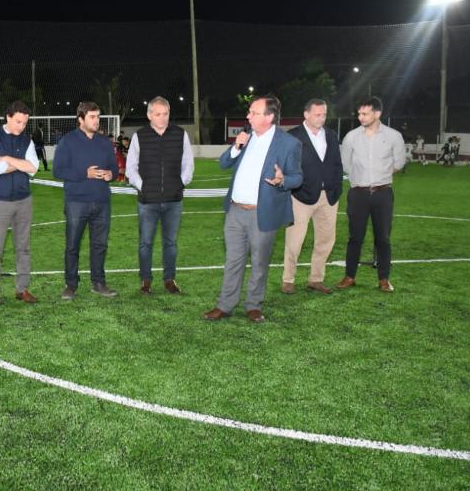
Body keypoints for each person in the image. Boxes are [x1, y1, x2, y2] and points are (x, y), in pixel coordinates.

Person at [203, 95, 302, 323]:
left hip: (262, 213)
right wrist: (237, 147)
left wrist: (282, 179)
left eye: (254, 112)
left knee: (259, 262)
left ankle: (253, 305)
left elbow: (297, 178)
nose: (248, 116)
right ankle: (225, 305)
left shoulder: (289, 144)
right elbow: (223, 163)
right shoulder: (245, 138)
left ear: (269, 117)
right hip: (235, 211)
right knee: (233, 261)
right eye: (249, 112)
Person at [126, 96, 194, 295]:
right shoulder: (139, 136)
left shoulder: (181, 135)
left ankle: (169, 279)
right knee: (145, 243)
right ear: (149, 116)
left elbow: (188, 164)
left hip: (174, 201)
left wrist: (180, 183)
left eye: (165, 114)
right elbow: (130, 168)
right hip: (148, 201)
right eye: (158, 114)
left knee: (171, 243)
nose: (162, 118)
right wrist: (143, 186)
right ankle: (146, 280)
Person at [337, 96, 406, 292]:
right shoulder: (351, 137)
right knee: (355, 237)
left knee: (383, 238)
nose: (360, 117)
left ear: (377, 114)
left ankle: (384, 279)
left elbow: (399, 163)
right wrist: (361, 177)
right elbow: (346, 164)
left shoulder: (394, 136)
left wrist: (380, 174)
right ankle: (350, 276)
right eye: (359, 113)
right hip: (358, 194)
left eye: (364, 113)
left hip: (383, 194)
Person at [53, 101, 120, 300]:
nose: (96, 121)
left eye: (98, 117)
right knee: (73, 244)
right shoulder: (68, 141)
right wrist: (85, 173)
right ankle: (71, 284)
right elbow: (58, 170)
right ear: (81, 119)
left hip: (102, 202)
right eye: (92, 117)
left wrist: (111, 174)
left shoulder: (105, 142)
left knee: (100, 245)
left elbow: (115, 169)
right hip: (76, 202)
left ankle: (99, 283)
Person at [281, 99, 343, 294]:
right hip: (301, 196)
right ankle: (288, 279)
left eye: (324, 114)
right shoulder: (292, 137)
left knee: (326, 240)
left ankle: (316, 279)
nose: (322, 118)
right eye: (318, 114)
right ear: (306, 114)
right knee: (294, 240)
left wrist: (336, 187)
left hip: (329, 197)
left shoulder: (331, 136)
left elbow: (336, 165)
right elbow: (285, 166)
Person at [0, 100, 40, 306]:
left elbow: (33, 167)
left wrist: (7, 159)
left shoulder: (27, 141)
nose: (21, 127)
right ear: (8, 117)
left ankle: (22, 289)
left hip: (24, 201)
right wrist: (20, 164)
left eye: (25, 123)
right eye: (18, 122)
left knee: (23, 247)